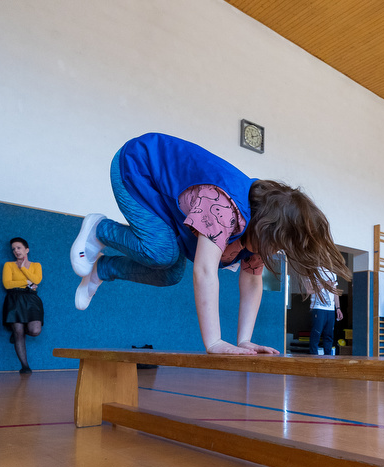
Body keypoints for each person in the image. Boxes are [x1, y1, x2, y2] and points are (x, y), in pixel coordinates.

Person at [71, 133, 350, 355]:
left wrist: (244, 340)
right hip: (138, 167)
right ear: (268, 227)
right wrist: (214, 341)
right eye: (277, 245)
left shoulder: (261, 233)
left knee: (170, 273)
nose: (275, 252)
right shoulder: (224, 207)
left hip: (170, 204)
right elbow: (204, 271)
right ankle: (99, 228)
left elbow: (252, 282)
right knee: (162, 253)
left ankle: (103, 269)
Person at [2, 237, 44, 374]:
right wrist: (27, 282)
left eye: (18, 248)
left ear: (27, 250)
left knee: (35, 331)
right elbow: (7, 284)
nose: (16, 251)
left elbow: (37, 280)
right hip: (14, 299)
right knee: (18, 333)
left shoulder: (36, 265)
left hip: (31, 299)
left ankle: (18, 332)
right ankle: (25, 366)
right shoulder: (8, 265)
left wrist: (23, 268)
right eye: (13, 249)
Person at [308, 266, 342, 356]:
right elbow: (309, 291)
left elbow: (335, 292)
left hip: (330, 308)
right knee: (316, 334)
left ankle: (328, 357)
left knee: (329, 335)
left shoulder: (333, 273)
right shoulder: (314, 271)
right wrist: (324, 284)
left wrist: (338, 308)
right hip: (318, 307)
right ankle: (313, 357)